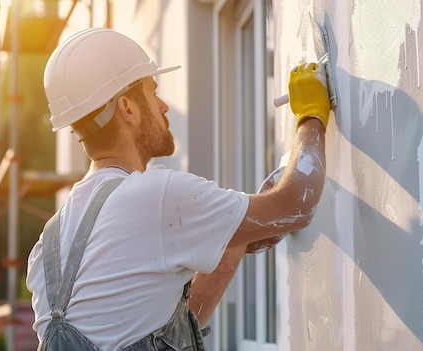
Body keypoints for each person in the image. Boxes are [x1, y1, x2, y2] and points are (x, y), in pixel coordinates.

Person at [26, 27, 332, 350]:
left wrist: (235, 232)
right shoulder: (154, 196)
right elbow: (296, 204)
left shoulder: (48, 246)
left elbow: (156, 332)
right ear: (128, 109)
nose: (163, 107)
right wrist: (310, 114)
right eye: (153, 92)